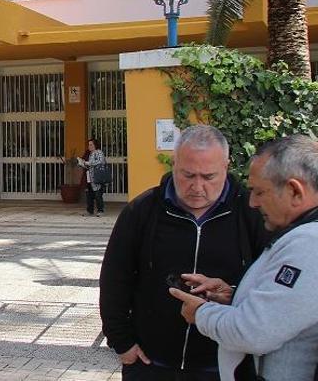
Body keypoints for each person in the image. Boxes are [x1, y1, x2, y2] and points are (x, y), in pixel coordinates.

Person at [99, 125, 269, 381]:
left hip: (224, 366)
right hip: (150, 363)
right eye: (187, 175)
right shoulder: (143, 210)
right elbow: (115, 278)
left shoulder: (251, 213)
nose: (197, 187)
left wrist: (232, 294)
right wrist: (122, 343)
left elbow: (270, 285)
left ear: (226, 165)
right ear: (174, 163)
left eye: (208, 176)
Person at [170, 135, 318, 380]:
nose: (252, 202)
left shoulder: (309, 243)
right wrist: (234, 296)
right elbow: (287, 307)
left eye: (259, 192)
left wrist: (201, 313)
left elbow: (254, 331)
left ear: (294, 190)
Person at [79, 138, 106, 217]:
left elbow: (100, 161)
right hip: (89, 177)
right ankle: (89, 210)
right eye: (89, 145)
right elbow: (89, 165)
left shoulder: (99, 152)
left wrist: (88, 163)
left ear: (95, 145)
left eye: (91, 145)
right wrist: (82, 163)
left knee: (98, 195)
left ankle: (100, 210)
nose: (89, 146)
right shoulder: (90, 154)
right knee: (89, 195)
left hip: (97, 177)